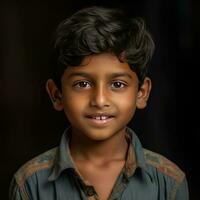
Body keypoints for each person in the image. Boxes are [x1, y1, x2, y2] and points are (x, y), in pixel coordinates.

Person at [9, 6, 189, 200]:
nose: (100, 100)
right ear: (57, 94)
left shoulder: (168, 182)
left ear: (141, 93)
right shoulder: (30, 184)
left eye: (118, 84)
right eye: (83, 84)